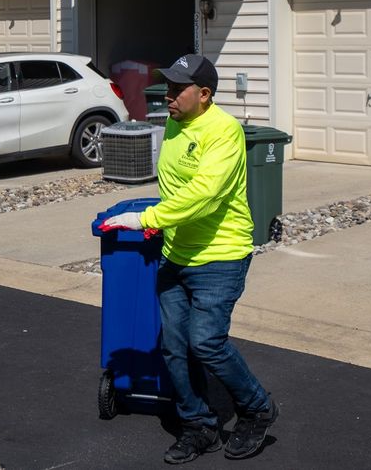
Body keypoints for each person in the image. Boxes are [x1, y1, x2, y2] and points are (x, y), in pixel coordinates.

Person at [103, 54, 278, 464]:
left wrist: (147, 217)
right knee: (175, 347)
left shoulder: (224, 131)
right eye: (167, 86)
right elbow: (174, 187)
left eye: (177, 88)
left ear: (204, 94)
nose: (168, 95)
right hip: (176, 253)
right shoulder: (175, 124)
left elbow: (204, 194)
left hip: (220, 255)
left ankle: (257, 408)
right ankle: (198, 426)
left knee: (207, 342)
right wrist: (160, 222)